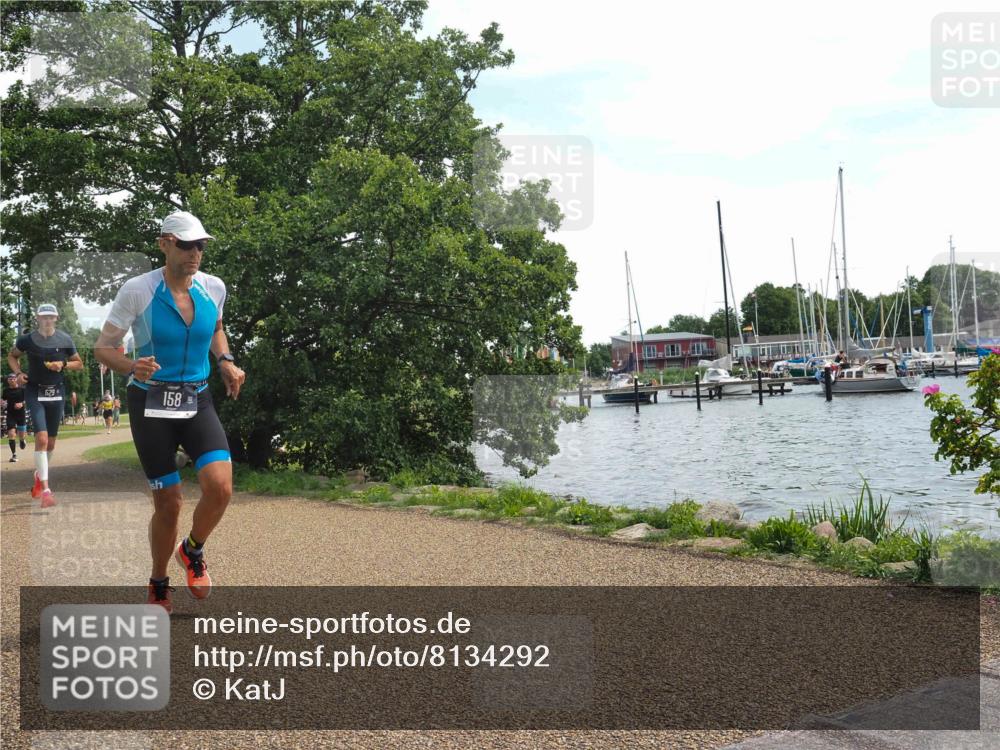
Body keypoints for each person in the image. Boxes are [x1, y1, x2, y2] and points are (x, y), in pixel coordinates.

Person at [95, 210, 246, 613]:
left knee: (220, 487)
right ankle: (159, 581)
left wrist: (225, 360)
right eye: (186, 244)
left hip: (197, 398)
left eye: (201, 245)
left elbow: (215, 328)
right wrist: (132, 366)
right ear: (165, 244)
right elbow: (103, 348)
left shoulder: (213, 287)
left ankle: (192, 550)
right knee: (170, 502)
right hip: (151, 403)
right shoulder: (138, 290)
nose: (195, 253)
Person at [6, 304, 84, 507]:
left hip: (57, 392)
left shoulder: (65, 339)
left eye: (51, 317)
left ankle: (39, 476)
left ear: (56, 318)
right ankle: (46, 491)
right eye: (44, 317)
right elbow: (12, 356)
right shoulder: (27, 340)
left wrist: (63, 364)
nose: (47, 320)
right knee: (41, 438)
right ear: (38, 318)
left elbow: (79, 363)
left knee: (51, 443)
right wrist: (18, 373)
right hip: (34, 391)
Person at [3, 373, 28, 462]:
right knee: (11, 434)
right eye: (10, 379)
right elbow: (3, 400)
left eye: (13, 378)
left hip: (21, 415)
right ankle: (14, 455)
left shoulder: (22, 390)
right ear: (8, 381)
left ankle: (22, 440)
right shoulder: (6, 391)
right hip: (11, 415)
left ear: (16, 379)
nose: (12, 380)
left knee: (21, 435)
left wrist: (22, 404)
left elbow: (27, 400)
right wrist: (2, 403)